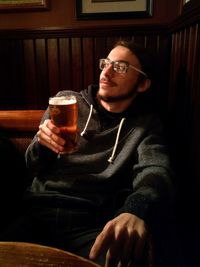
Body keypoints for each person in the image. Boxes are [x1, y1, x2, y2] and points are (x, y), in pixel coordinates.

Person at [0, 40, 180, 267]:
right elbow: (32, 165)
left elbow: (156, 169)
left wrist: (137, 208)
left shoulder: (145, 125)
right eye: (106, 63)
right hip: (37, 214)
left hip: (91, 223)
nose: (107, 71)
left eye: (121, 67)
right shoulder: (65, 100)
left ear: (142, 84)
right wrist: (43, 146)